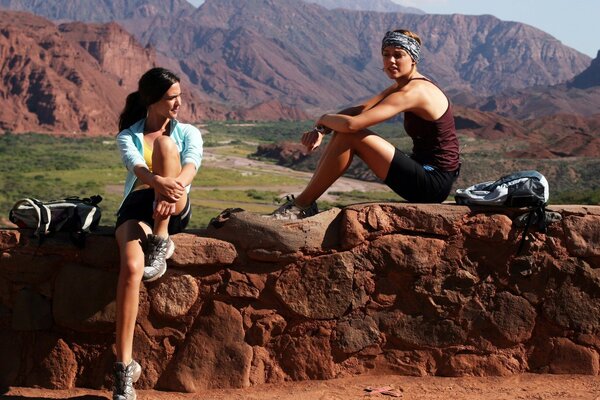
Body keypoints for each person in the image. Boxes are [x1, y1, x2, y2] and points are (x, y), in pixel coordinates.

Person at [269, 29, 460, 219]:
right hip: (424, 171)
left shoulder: (414, 92)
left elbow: (353, 124)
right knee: (344, 132)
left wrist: (324, 118)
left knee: (350, 135)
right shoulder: (404, 85)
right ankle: (303, 204)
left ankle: (301, 205)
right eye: (386, 55)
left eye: (398, 55)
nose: (391, 60)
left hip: (433, 183)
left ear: (413, 59)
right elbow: (357, 110)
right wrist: (320, 130)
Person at [113, 67, 202, 400]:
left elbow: (191, 165)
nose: (178, 103)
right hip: (137, 208)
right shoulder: (128, 136)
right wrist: (155, 184)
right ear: (152, 100)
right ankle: (124, 368)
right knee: (132, 268)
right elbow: (135, 166)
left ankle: (161, 240)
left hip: (175, 204)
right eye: (171, 97)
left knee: (166, 146)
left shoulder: (188, 132)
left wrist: (168, 189)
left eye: (179, 95)